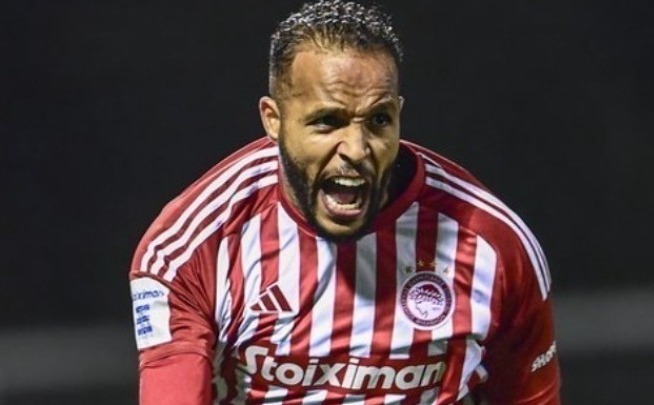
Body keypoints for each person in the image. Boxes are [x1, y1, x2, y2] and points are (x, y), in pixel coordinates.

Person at [128, 0, 561, 403]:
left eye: (378, 119)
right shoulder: (189, 250)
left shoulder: (494, 246)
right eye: (327, 121)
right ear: (274, 120)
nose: (356, 148)